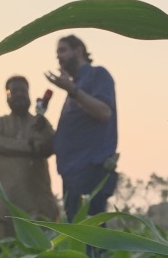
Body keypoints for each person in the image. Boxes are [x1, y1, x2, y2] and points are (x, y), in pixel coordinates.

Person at [45, 35, 118, 221]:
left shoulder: (97, 75)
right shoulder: (74, 86)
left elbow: (104, 112)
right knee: (75, 235)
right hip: (71, 171)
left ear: (78, 51)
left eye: (62, 50)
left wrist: (73, 90)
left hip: (90, 169)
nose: (58, 58)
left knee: (91, 234)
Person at [0, 76, 59, 237]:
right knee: (0, 254)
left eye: (23, 91)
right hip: (3, 204)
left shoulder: (40, 123)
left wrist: (42, 128)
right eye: (13, 91)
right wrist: (29, 148)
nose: (19, 94)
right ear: (7, 96)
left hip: (36, 203)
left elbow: (49, 146)